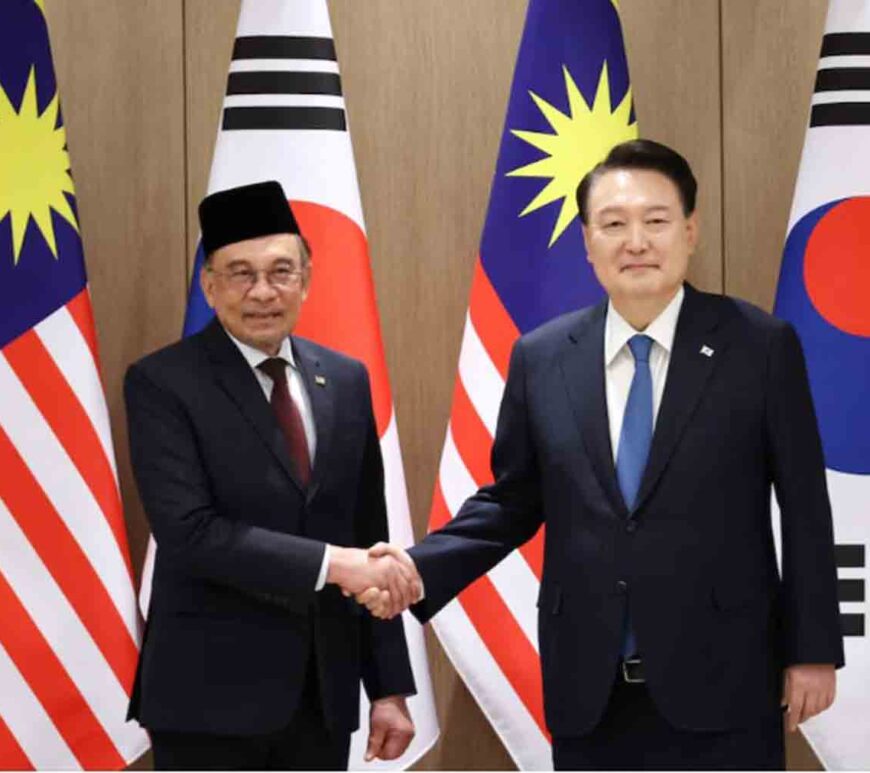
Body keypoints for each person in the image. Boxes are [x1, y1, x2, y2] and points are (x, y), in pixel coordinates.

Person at [360, 140, 844, 770]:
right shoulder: (542, 357)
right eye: (613, 224)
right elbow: (512, 500)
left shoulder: (759, 347)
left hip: (726, 679)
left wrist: (812, 650)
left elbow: (805, 508)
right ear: (587, 242)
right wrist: (420, 568)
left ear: (691, 231)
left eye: (656, 221)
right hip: (591, 687)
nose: (635, 241)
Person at [125, 181, 419, 770]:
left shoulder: (345, 379)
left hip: (321, 696)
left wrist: (387, 687)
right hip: (207, 701)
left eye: (281, 271)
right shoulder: (163, 383)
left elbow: (369, 533)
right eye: (240, 273)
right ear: (209, 287)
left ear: (306, 280)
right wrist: (335, 565)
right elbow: (191, 532)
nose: (262, 291)